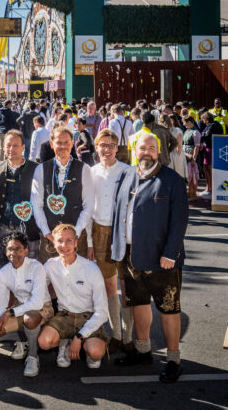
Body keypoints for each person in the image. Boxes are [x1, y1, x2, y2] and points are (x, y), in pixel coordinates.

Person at [112, 133, 188, 383]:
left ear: (159, 151)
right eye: (142, 148)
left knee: (169, 309)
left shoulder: (172, 180)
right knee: (139, 304)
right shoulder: (127, 175)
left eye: (151, 148)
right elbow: (118, 214)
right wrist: (117, 248)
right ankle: (143, 351)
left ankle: (174, 360)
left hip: (162, 260)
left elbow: (179, 222)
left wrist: (170, 253)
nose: (146, 152)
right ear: (135, 150)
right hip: (131, 257)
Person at [38, 224, 108, 370]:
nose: (64, 245)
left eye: (69, 240)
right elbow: (37, 286)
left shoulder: (91, 268)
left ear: (76, 243)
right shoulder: (50, 265)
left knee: (96, 353)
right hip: (65, 315)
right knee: (44, 342)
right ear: (54, 243)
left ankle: (83, 344)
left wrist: (79, 337)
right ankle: (65, 342)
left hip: (88, 316)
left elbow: (102, 312)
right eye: (60, 241)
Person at [88, 129, 133, 354]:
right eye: (102, 145)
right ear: (96, 147)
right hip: (99, 230)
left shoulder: (128, 171)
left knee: (126, 286)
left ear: (117, 148)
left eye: (111, 145)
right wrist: (88, 240)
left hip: (122, 232)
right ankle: (115, 334)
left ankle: (129, 336)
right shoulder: (91, 172)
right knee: (108, 285)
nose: (106, 149)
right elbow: (88, 208)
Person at [0, 232, 52, 377]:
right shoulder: (4, 272)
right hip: (19, 307)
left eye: (18, 249)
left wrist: (8, 313)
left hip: (41, 308)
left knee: (29, 318)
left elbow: (37, 302)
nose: (13, 253)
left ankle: (33, 357)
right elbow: (0, 303)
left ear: (26, 250)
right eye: (9, 249)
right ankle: (24, 340)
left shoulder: (36, 267)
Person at [31, 126, 94, 262]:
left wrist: (75, 233)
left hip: (76, 238)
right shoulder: (41, 169)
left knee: (76, 278)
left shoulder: (84, 169)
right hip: (50, 238)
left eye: (66, 142)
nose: (63, 146)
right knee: (48, 279)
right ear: (52, 144)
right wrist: (46, 232)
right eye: (59, 142)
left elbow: (89, 205)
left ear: (72, 143)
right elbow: (36, 204)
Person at [0, 130, 41, 267]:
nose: (11, 149)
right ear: (3, 147)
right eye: (8, 145)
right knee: (4, 266)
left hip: (28, 228)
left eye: (15, 145)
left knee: (30, 267)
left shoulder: (36, 169)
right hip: (4, 227)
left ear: (23, 147)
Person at [198, 111, 223, 198]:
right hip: (207, 149)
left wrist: (200, 137)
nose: (202, 121)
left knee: (209, 168)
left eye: (202, 119)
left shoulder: (213, 125)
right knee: (206, 168)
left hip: (211, 148)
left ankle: (211, 189)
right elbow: (204, 134)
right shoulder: (209, 125)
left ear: (206, 118)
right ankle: (208, 188)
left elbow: (206, 135)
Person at [182, 116, 201, 199]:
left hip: (192, 156)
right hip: (186, 156)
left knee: (193, 175)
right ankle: (190, 192)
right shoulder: (187, 131)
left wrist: (194, 158)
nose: (183, 124)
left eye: (184, 122)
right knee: (189, 175)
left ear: (189, 122)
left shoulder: (195, 132)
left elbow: (197, 147)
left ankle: (193, 193)